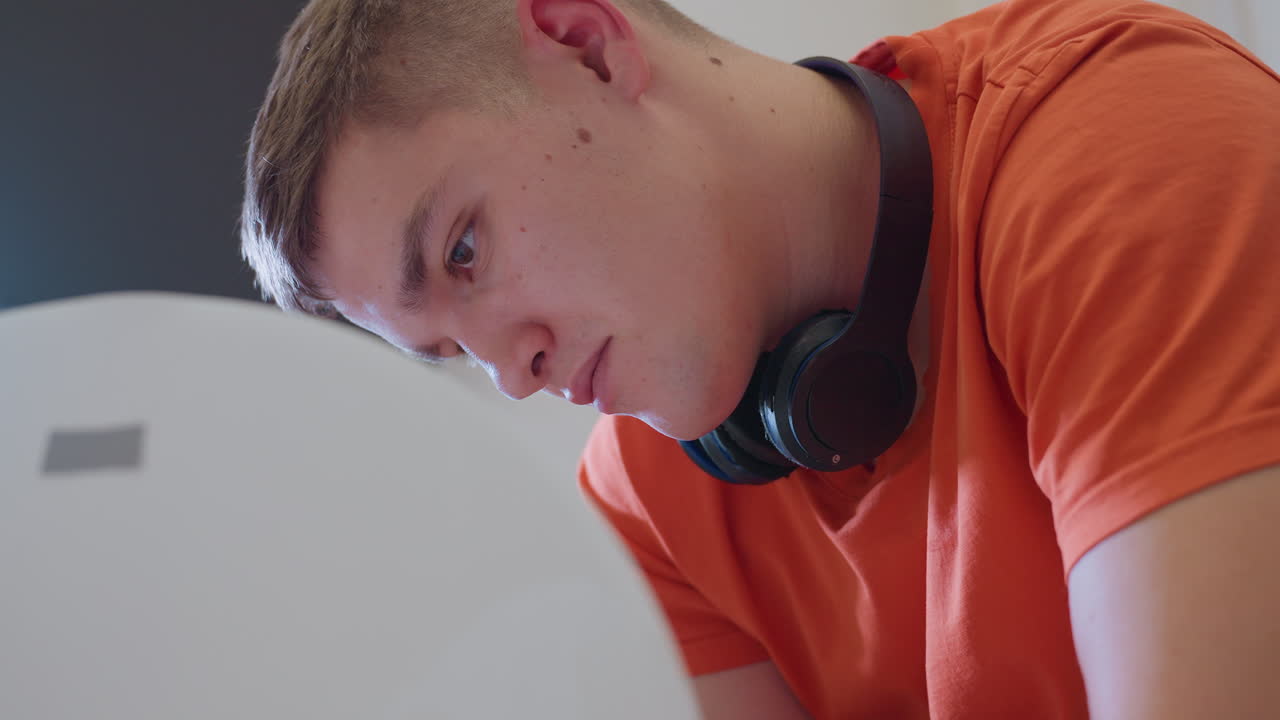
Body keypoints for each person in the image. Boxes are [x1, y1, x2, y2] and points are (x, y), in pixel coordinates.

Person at [238, 0, 1280, 717]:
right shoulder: (642, 500)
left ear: (585, 42)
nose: (510, 372)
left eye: (463, 250)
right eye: (446, 350)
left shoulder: (1124, 151)